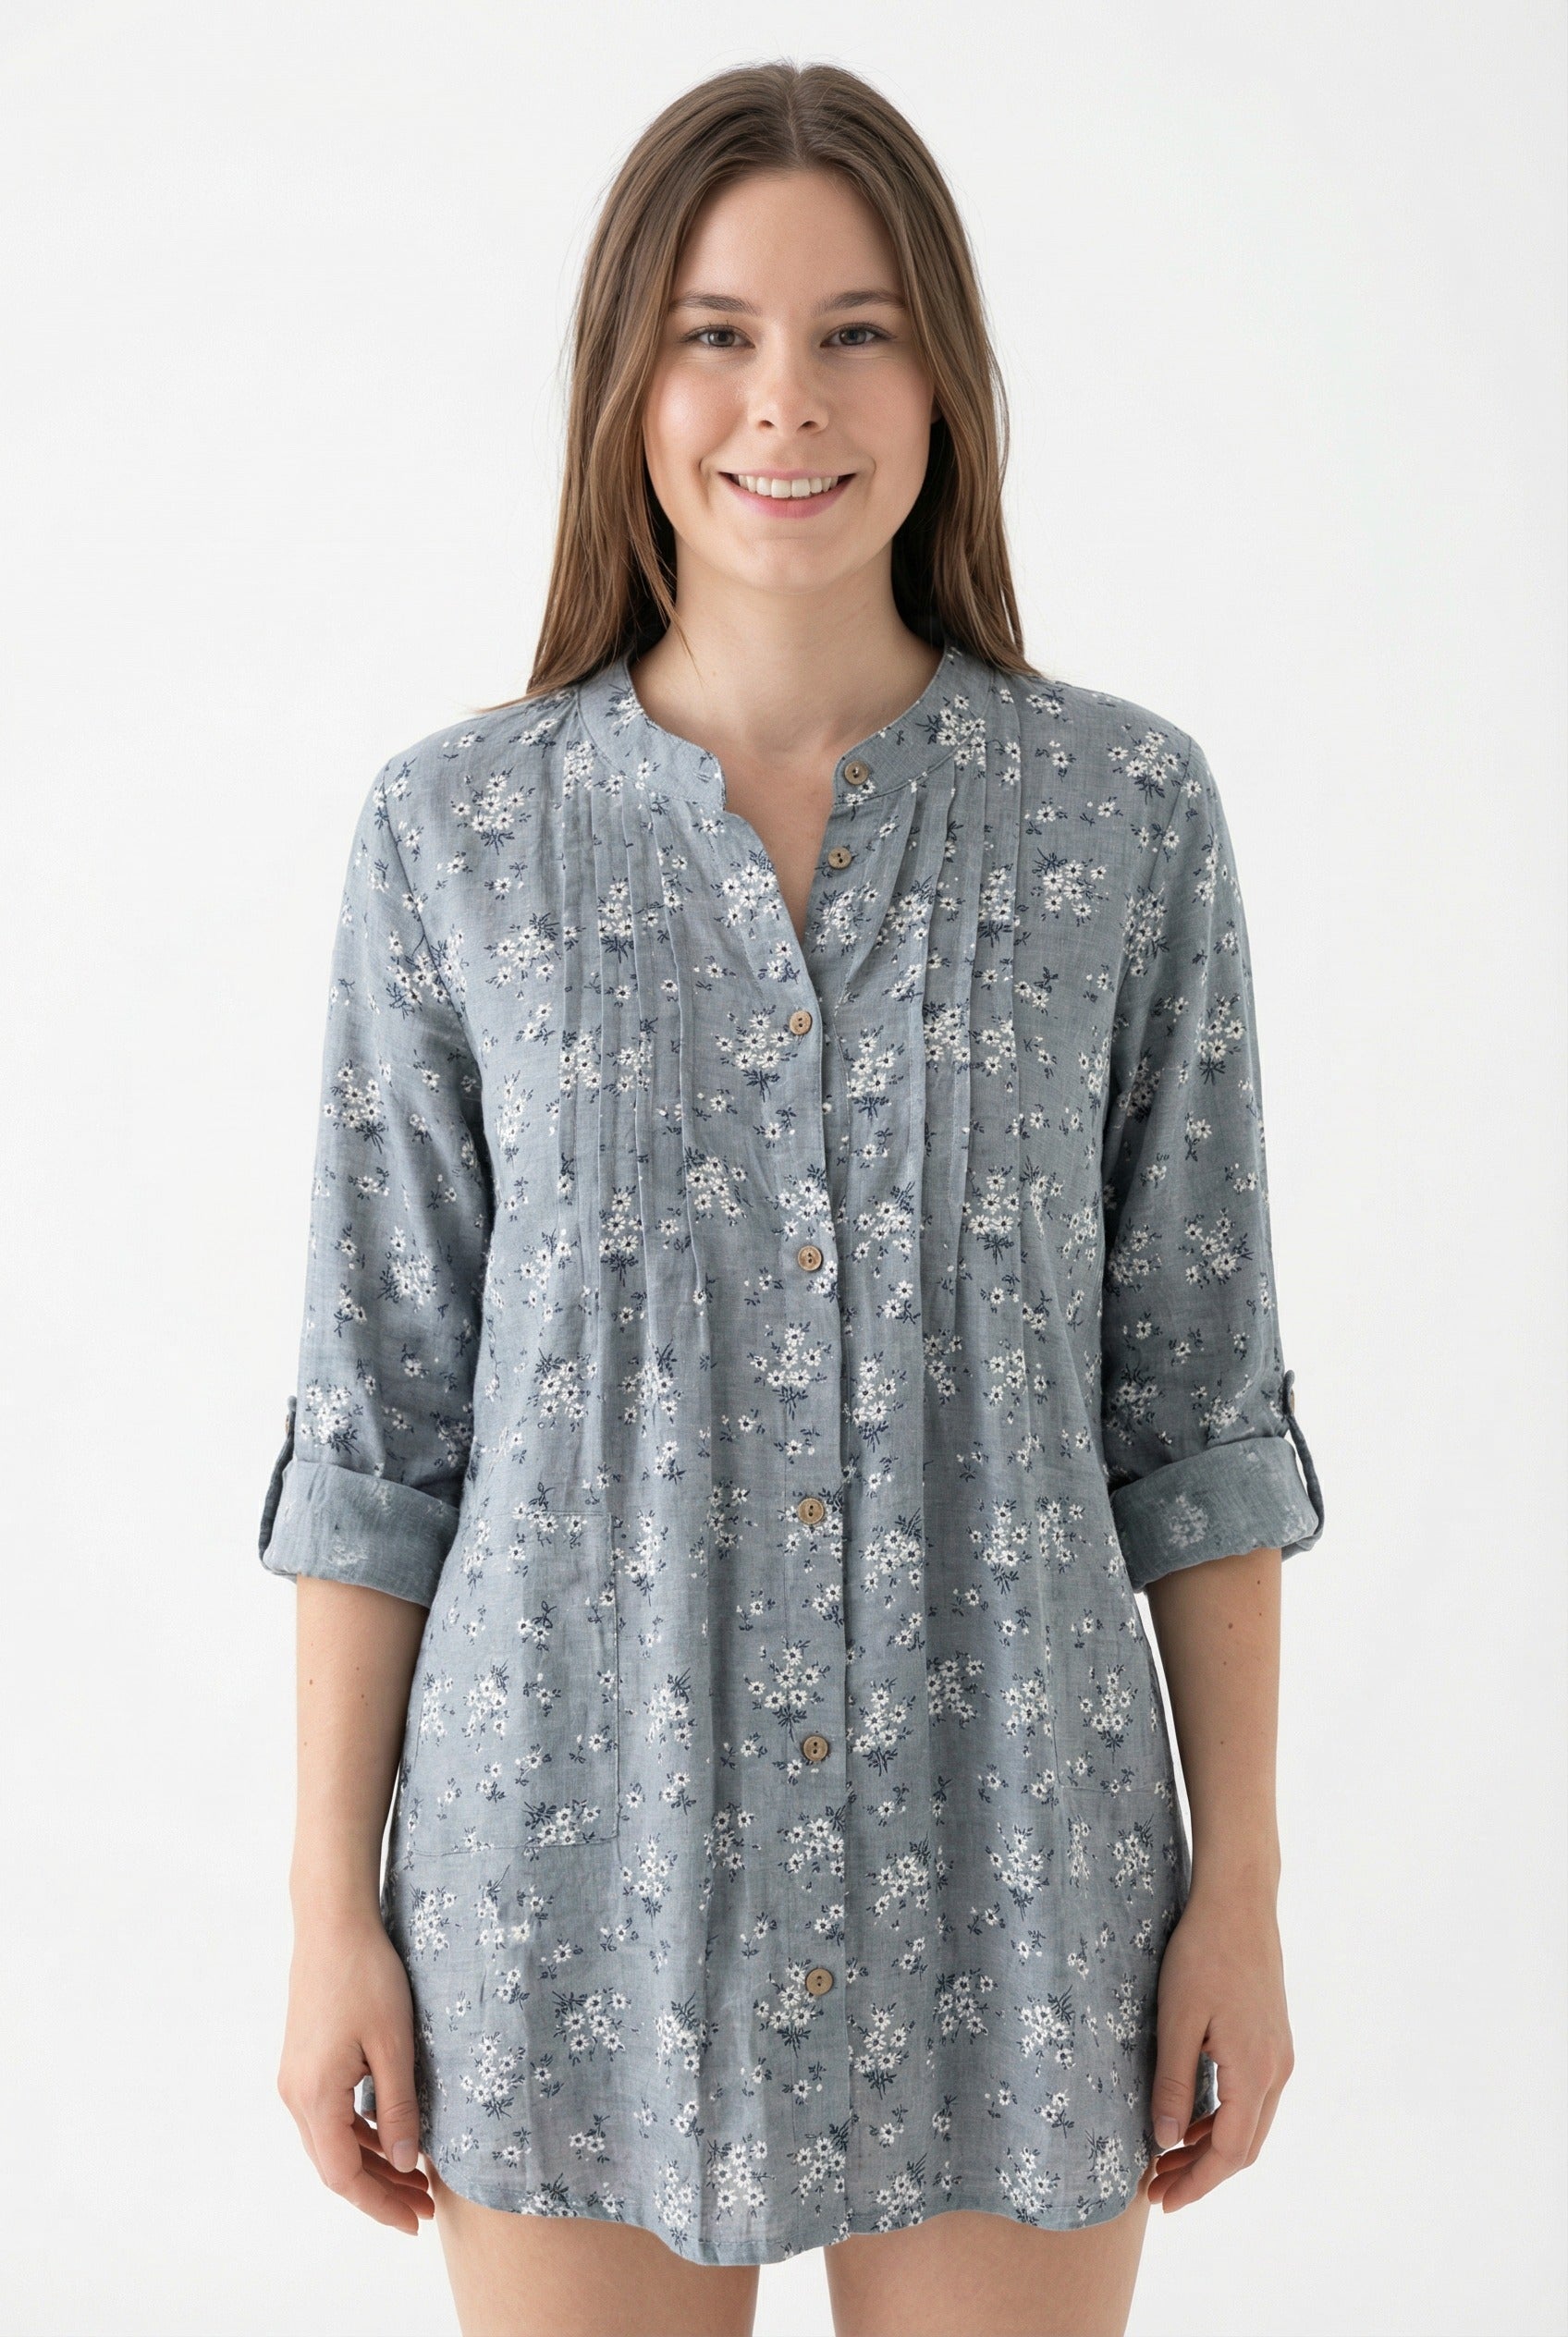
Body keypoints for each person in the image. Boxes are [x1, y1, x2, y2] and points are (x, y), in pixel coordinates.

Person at [260, 58, 1326, 2337]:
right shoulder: (450, 840)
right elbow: (380, 1430)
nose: (785, 401)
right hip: (564, 1890)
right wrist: (326, 1917)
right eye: (716, 331)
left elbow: (1197, 1414)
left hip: (1019, 1872)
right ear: (628, 380)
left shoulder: (1120, 822)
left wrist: (1234, 1885)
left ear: (939, 372)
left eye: (854, 328)